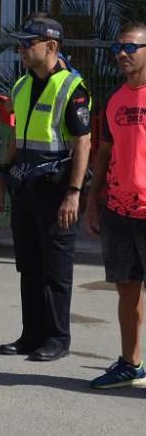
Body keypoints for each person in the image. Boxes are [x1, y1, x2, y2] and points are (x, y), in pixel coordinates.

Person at [0, 16, 91, 363]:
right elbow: (15, 139)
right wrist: (2, 180)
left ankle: (57, 338)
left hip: (57, 190)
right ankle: (31, 334)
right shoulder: (20, 86)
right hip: (25, 189)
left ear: (50, 47)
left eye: (27, 44)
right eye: (20, 43)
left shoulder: (71, 87)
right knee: (29, 266)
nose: (21, 49)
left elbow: (83, 142)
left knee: (56, 269)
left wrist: (74, 192)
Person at [85, 22, 146, 388]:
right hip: (120, 211)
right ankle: (131, 363)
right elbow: (105, 151)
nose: (122, 54)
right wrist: (93, 200)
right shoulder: (115, 99)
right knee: (127, 287)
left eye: (130, 48)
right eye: (117, 49)